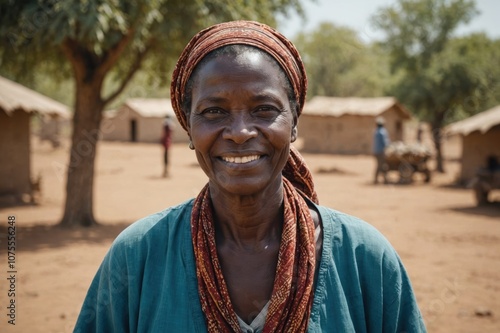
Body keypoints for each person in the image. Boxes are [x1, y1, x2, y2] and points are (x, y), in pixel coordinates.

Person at [74, 21, 426, 332]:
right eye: (214, 111)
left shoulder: (365, 259)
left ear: (294, 124)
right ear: (188, 127)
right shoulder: (138, 257)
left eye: (264, 110)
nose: (240, 132)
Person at [373, 116, 391, 184]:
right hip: (381, 152)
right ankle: (384, 179)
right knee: (382, 165)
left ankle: (378, 179)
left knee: (379, 165)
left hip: (376, 151)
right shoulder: (383, 132)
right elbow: (385, 142)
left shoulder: (376, 131)